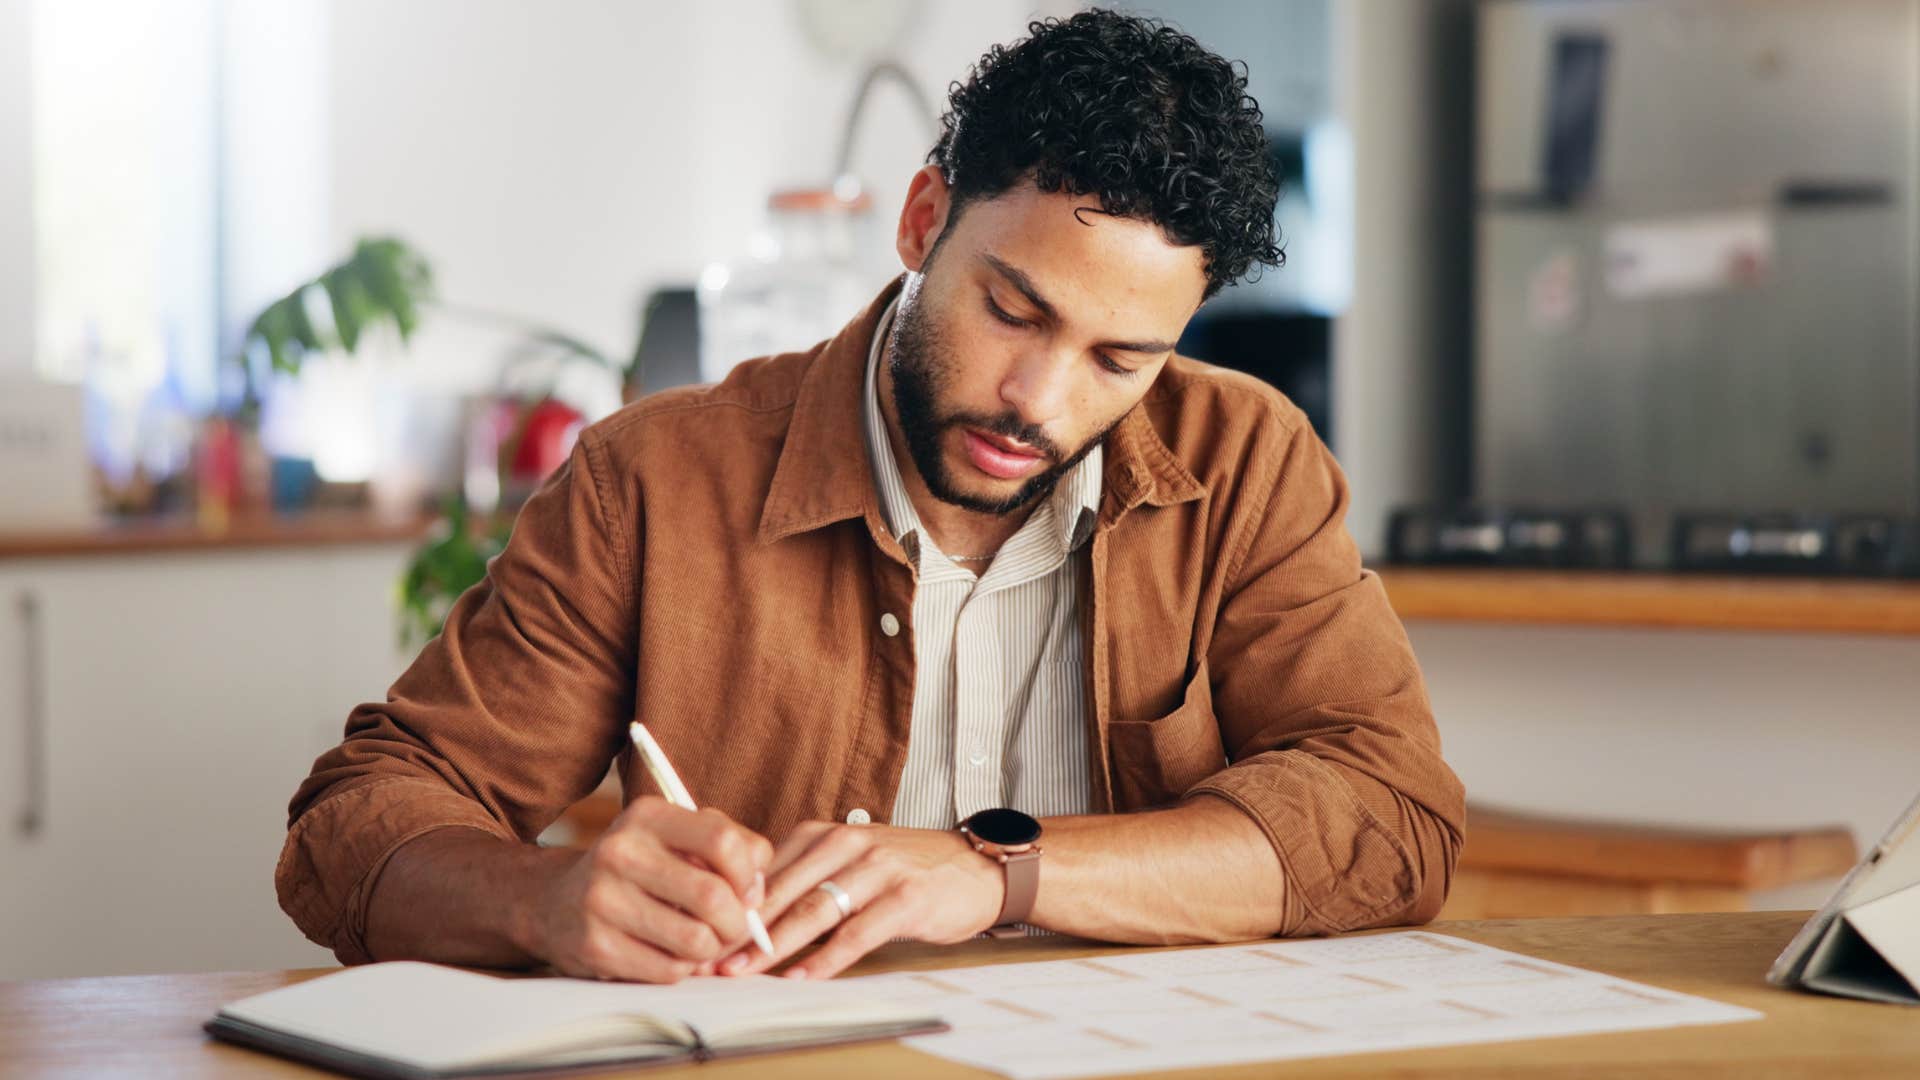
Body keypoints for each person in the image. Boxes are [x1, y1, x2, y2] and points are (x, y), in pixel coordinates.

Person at [278, 8, 1464, 985]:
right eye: (1012, 309)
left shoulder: (1247, 460)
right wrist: (546, 902)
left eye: (1120, 360)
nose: (1036, 402)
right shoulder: (654, 483)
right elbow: (356, 824)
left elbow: (1389, 813)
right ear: (921, 221)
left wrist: (995, 869)